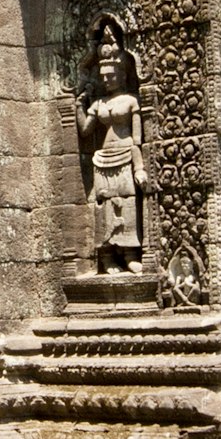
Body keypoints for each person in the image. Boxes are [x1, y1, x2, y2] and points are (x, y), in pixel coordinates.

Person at [85, 20, 143, 272]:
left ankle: (130, 253)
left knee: (127, 203)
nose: (106, 80)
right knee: (104, 205)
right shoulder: (99, 103)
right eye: (103, 77)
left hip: (125, 154)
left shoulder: (131, 101)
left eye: (111, 76)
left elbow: (137, 140)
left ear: (123, 75)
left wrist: (139, 168)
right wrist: (78, 105)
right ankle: (107, 256)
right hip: (102, 158)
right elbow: (85, 130)